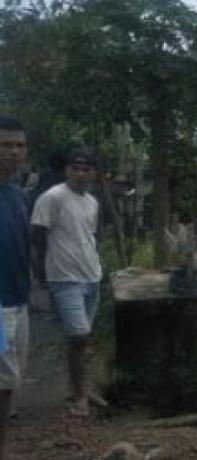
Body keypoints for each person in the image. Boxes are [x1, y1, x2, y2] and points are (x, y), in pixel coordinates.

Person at [32, 149, 105, 418]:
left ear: (94, 174)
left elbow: (90, 236)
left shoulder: (92, 202)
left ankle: (77, 388)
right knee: (79, 336)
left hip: (91, 276)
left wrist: (98, 268)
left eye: (87, 169)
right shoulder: (52, 197)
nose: (80, 173)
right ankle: (80, 397)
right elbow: (38, 235)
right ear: (67, 170)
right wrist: (43, 274)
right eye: (75, 168)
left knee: (81, 339)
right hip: (64, 278)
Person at [0, 115, 35, 460]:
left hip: (16, 299)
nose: (13, 152)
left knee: (11, 384)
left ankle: (5, 452)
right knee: (1, 386)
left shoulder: (16, 194)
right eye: (5, 144)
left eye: (19, 145)